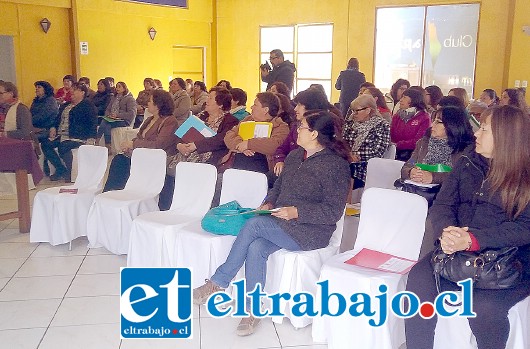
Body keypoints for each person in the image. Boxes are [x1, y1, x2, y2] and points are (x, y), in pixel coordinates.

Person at [193, 111, 351, 336]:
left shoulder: (335, 166)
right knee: (256, 247)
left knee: (255, 226)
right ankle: (253, 309)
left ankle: (219, 281)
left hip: (311, 230)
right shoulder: (296, 155)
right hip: (282, 221)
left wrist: (297, 212)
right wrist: (269, 202)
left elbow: (333, 212)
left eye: (302, 127)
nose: (297, 130)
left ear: (315, 133)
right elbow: (278, 187)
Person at [405, 105, 530, 349]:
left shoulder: (523, 176)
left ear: (506, 137)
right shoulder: (467, 163)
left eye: (484, 129)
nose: (476, 134)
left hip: (509, 260)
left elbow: (524, 227)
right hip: (457, 252)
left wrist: (473, 240)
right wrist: (447, 232)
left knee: (484, 309)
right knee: (419, 280)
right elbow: (443, 205)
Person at [159, 87, 239, 210]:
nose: (206, 101)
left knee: (185, 171)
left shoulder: (230, 121)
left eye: (210, 98)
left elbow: (221, 140)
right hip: (186, 152)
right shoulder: (200, 116)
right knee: (166, 168)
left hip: (209, 156)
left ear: (220, 104)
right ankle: (167, 207)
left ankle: (185, 207)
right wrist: (179, 145)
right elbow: (179, 134)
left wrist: (196, 145)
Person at [103, 89, 178, 192]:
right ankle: (112, 192)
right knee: (119, 159)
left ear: (158, 105)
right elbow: (139, 137)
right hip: (142, 155)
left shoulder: (170, 121)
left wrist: (134, 144)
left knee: (121, 162)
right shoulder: (149, 120)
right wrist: (129, 146)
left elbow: (159, 144)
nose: (147, 103)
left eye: (150, 101)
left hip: (156, 158)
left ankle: (115, 192)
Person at [272, 88, 341, 178]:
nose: (295, 108)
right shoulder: (296, 126)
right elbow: (282, 148)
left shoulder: (330, 123)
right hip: (291, 169)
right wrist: (280, 160)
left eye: (300, 105)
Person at [401, 106, 475, 185]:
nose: (432, 125)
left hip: (446, 194)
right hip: (418, 190)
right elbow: (409, 164)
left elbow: (463, 176)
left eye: (438, 122)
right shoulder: (423, 143)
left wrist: (433, 177)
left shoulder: (466, 150)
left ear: (452, 125)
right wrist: (411, 172)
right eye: (433, 121)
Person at [41, 83, 97, 181]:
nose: (71, 91)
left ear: (82, 93)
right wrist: (53, 127)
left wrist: (91, 138)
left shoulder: (87, 105)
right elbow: (57, 119)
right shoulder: (66, 105)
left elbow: (93, 122)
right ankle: (61, 169)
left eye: (74, 90)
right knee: (45, 144)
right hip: (61, 135)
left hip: (77, 136)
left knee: (63, 146)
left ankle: (71, 173)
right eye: (71, 90)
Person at [223, 92, 289, 174]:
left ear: (265, 110)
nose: (251, 107)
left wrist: (249, 144)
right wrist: (240, 145)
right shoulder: (248, 119)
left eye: (255, 105)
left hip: (262, 167)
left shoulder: (281, 126)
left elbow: (275, 145)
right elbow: (229, 136)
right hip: (238, 160)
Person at [344, 94, 390, 188]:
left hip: (366, 167)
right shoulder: (350, 123)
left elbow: (377, 152)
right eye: (352, 111)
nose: (353, 114)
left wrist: (355, 155)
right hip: (346, 162)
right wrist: (347, 154)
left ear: (368, 110)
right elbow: (342, 142)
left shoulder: (382, 126)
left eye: (357, 111)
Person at [390, 88, 431, 161]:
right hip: (395, 153)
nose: (401, 100)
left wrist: (399, 144)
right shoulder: (397, 116)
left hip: (413, 156)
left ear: (413, 100)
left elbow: (419, 141)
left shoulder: (424, 118)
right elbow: (391, 135)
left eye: (404, 97)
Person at [97, 81, 136, 151]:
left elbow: (131, 114)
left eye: (119, 86)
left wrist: (117, 115)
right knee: (105, 121)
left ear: (124, 88)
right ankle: (104, 143)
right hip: (112, 119)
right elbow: (108, 109)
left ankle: (102, 142)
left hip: (124, 121)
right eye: (117, 86)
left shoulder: (130, 99)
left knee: (107, 124)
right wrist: (108, 115)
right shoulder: (114, 98)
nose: (117, 88)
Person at [30, 81, 59, 174]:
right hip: (35, 128)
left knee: (29, 138)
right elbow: (30, 114)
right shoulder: (35, 101)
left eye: (39, 87)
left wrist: (29, 122)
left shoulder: (50, 100)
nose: (36, 89)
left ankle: (37, 168)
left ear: (45, 89)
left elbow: (43, 116)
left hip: (47, 128)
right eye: (36, 87)